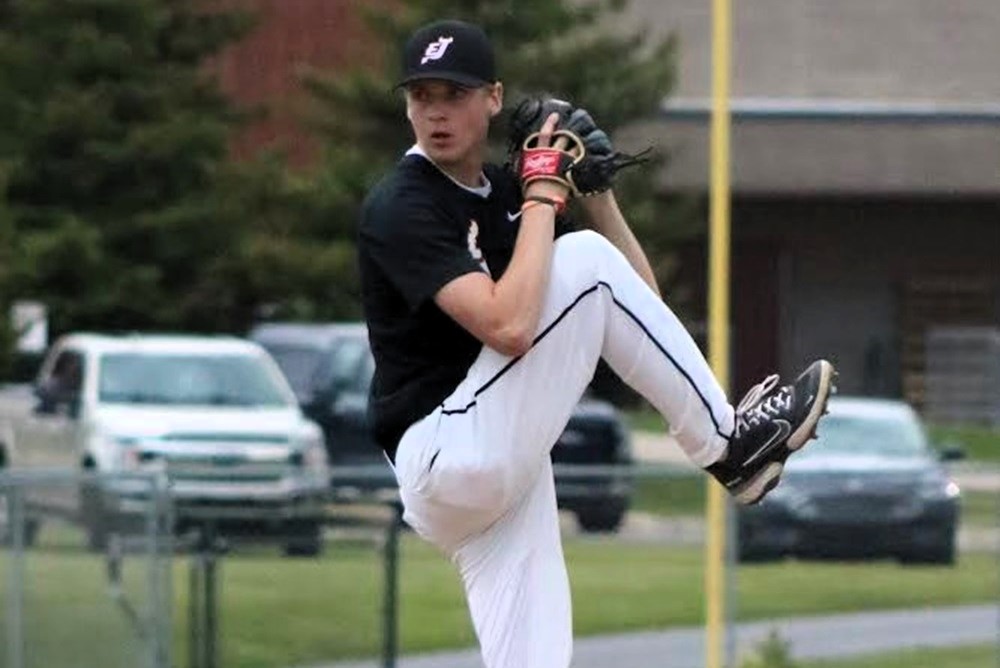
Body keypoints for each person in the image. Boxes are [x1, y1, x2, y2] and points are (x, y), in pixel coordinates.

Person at [357, 19, 836, 668]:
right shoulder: (403, 204)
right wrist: (545, 196)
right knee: (581, 259)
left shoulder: (505, 194)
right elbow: (510, 327)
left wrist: (598, 198)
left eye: (454, 94)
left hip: (497, 464)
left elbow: (640, 313)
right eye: (421, 96)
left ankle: (726, 442)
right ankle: (730, 447)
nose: (436, 112)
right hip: (447, 445)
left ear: (492, 98)